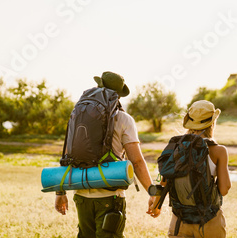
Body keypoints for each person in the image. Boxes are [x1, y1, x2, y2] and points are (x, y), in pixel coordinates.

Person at [54, 71, 160, 238]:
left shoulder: (78, 115)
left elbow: (67, 156)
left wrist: (60, 193)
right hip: (110, 197)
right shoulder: (124, 119)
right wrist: (153, 192)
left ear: (98, 87)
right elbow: (137, 161)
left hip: (81, 194)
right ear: (118, 95)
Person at [150, 100, 231, 238]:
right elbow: (224, 189)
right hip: (209, 220)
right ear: (212, 123)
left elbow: (164, 180)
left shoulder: (175, 146)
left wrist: (155, 203)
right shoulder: (219, 151)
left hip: (179, 221)